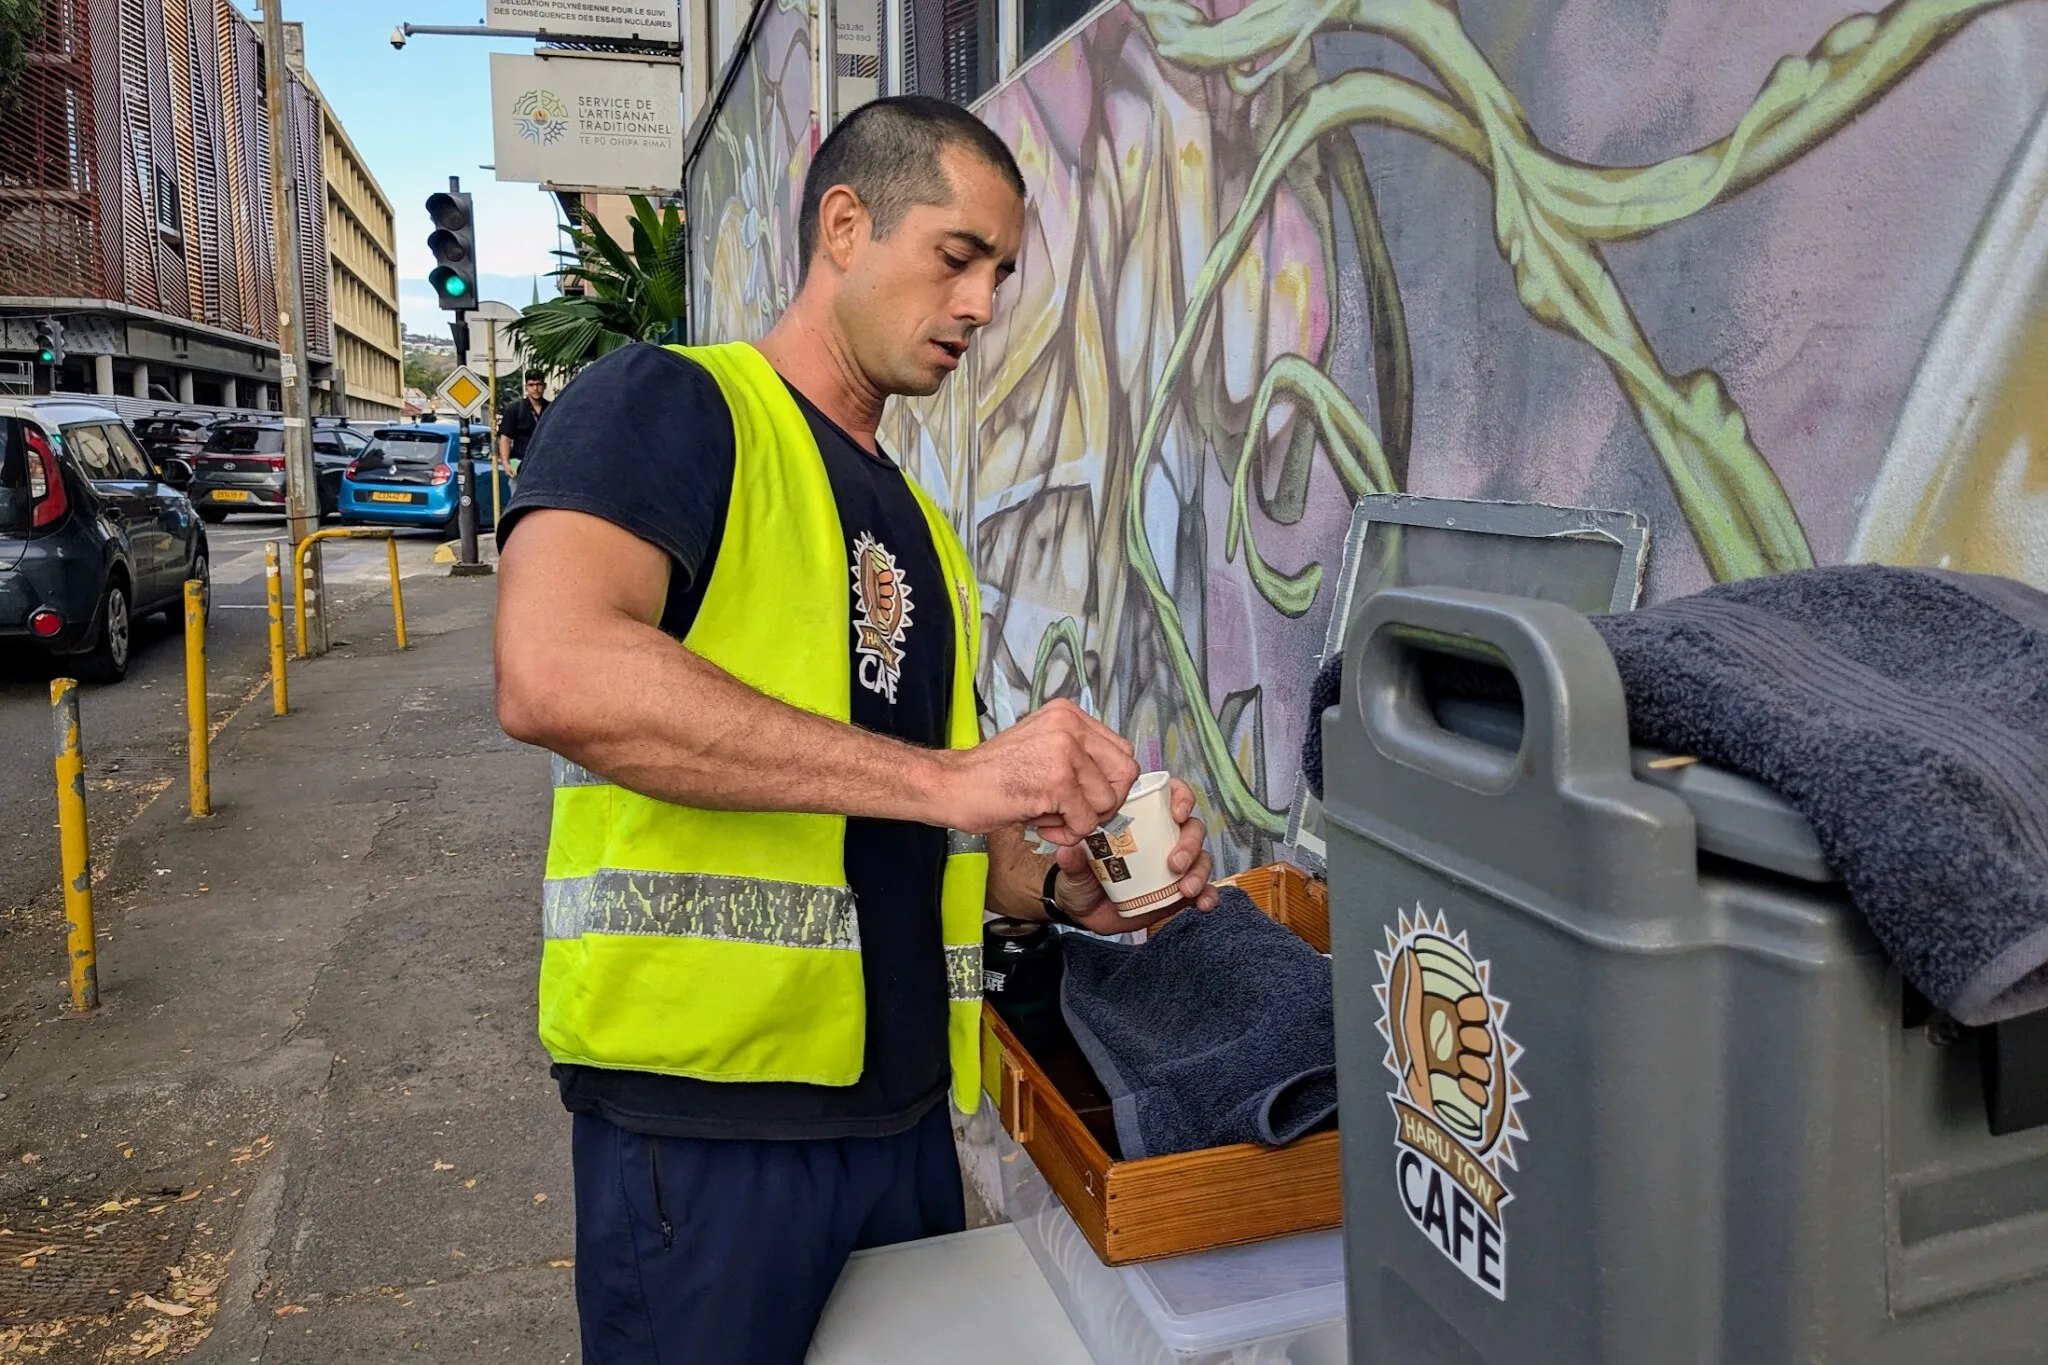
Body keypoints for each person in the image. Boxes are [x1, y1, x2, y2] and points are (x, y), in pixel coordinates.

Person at [493, 96, 1219, 1365]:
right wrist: (951, 776)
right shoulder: (672, 406)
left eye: (999, 273)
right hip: (705, 1132)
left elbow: (915, 831)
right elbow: (553, 671)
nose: (982, 304)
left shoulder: (925, 533)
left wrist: (1060, 886)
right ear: (844, 223)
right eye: (956, 256)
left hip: (899, 1126)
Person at [497, 370, 549, 468]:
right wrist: (505, 463)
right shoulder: (514, 409)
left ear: (544, 386)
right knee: (517, 483)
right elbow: (505, 438)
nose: (535, 388)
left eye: (539, 384)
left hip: (544, 462)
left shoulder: (551, 409)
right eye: (531, 385)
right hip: (518, 461)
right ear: (526, 387)